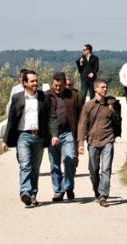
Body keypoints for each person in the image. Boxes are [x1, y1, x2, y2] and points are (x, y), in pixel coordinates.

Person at [2, 70, 59, 207]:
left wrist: (54, 135)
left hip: (39, 137)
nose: (35, 83)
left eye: (36, 81)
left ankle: (32, 196)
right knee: (25, 165)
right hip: (23, 136)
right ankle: (25, 192)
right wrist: (5, 140)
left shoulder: (44, 97)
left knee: (35, 168)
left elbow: (52, 117)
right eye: (32, 81)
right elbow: (11, 120)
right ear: (24, 83)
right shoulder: (17, 98)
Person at [77, 79, 122, 207]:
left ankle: (103, 196)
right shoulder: (89, 105)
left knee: (106, 169)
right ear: (96, 89)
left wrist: (113, 110)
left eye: (106, 87)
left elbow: (118, 121)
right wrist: (80, 143)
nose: (105, 89)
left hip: (108, 140)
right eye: (102, 87)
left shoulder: (112, 103)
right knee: (93, 170)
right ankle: (97, 192)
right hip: (92, 141)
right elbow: (82, 124)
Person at [47, 72, 80, 202]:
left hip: (68, 133)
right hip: (52, 134)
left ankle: (68, 186)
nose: (57, 88)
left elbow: (81, 113)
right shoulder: (46, 96)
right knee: (54, 164)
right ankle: (58, 191)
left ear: (64, 84)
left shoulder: (73, 95)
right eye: (55, 85)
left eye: (60, 85)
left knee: (70, 158)